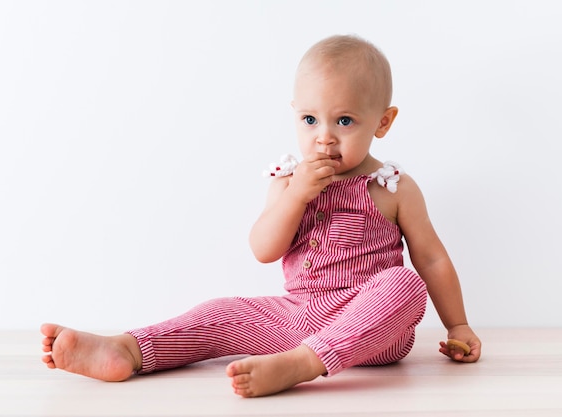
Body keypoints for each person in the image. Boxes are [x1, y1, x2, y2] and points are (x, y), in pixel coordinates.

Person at [41, 34, 482, 398]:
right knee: (219, 313)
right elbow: (263, 250)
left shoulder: (392, 187)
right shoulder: (286, 181)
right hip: (295, 315)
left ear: (382, 122)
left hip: (372, 329)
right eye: (310, 119)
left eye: (344, 121)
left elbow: (432, 260)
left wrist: (458, 325)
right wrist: (296, 196)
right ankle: (128, 349)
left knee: (404, 283)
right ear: (295, 113)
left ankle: (305, 364)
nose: (323, 138)